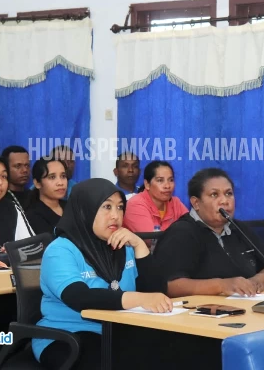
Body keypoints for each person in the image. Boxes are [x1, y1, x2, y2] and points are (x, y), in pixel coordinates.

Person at [32, 178, 170, 369]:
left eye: (120, 207)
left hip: (118, 331)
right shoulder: (61, 250)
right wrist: (139, 299)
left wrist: (139, 245)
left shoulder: (123, 245)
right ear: (84, 210)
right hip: (67, 335)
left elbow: (157, 293)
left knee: (176, 351)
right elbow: (79, 297)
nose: (115, 215)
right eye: (107, 207)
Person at [154, 168, 264, 297]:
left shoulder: (239, 229)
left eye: (229, 193)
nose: (224, 201)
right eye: (214, 195)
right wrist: (222, 286)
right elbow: (169, 286)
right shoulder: (181, 233)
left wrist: (259, 280)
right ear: (196, 203)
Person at [123, 161, 188, 236]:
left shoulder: (175, 203)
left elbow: (192, 229)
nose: (167, 186)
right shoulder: (135, 205)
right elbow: (152, 239)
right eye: (160, 180)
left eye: (171, 180)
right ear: (147, 184)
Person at [24, 156, 67, 235]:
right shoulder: (33, 216)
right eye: (52, 177)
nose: (60, 183)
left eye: (63, 176)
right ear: (37, 183)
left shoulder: (71, 207)